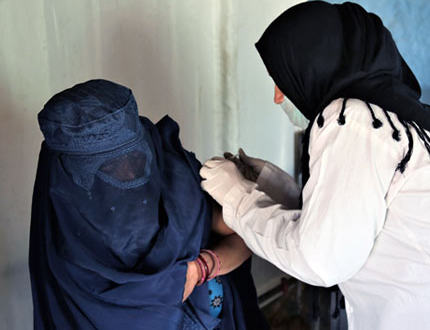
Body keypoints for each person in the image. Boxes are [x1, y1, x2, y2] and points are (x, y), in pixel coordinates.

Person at [200, 1, 430, 329]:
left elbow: (320, 260)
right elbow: (360, 218)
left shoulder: (350, 119)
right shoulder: (399, 123)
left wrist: (238, 198)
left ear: (313, 65)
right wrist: (272, 187)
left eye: (281, 79)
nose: (278, 97)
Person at [29, 79, 268, 329]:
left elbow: (246, 232)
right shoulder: (67, 247)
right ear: (72, 175)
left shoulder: (176, 185)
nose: (130, 175)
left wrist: (202, 267)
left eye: (135, 158)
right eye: (109, 168)